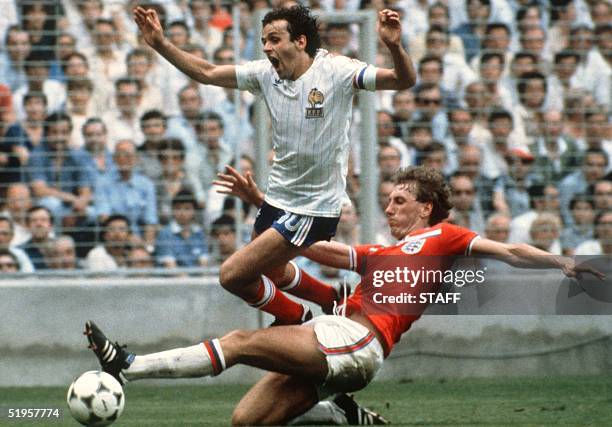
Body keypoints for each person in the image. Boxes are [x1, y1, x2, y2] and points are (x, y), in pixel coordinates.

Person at [86, 166, 601, 426]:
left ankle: (128, 365)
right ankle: (341, 415)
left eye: (401, 201)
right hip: (341, 341)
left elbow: (508, 249)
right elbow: (316, 245)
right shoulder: (382, 252)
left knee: (242, 340)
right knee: (245, 421)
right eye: (391, 200)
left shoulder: (445, 237)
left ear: (426, 209)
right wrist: (261, 202)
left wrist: (563, 262)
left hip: (357, 339)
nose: (392, 207)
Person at [134, 5, 416, 324]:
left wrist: (393, 46)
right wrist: (159, 43)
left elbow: (401, 80)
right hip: (278, 197)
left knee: (232, 275)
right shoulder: (266, 74)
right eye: (264, 40)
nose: (266, 47)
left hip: (313, 206)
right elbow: (208, 73)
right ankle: (331, 299)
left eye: (274, 39)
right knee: (272, 271)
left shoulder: (337, 70)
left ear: (300, 41)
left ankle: (296, 317)